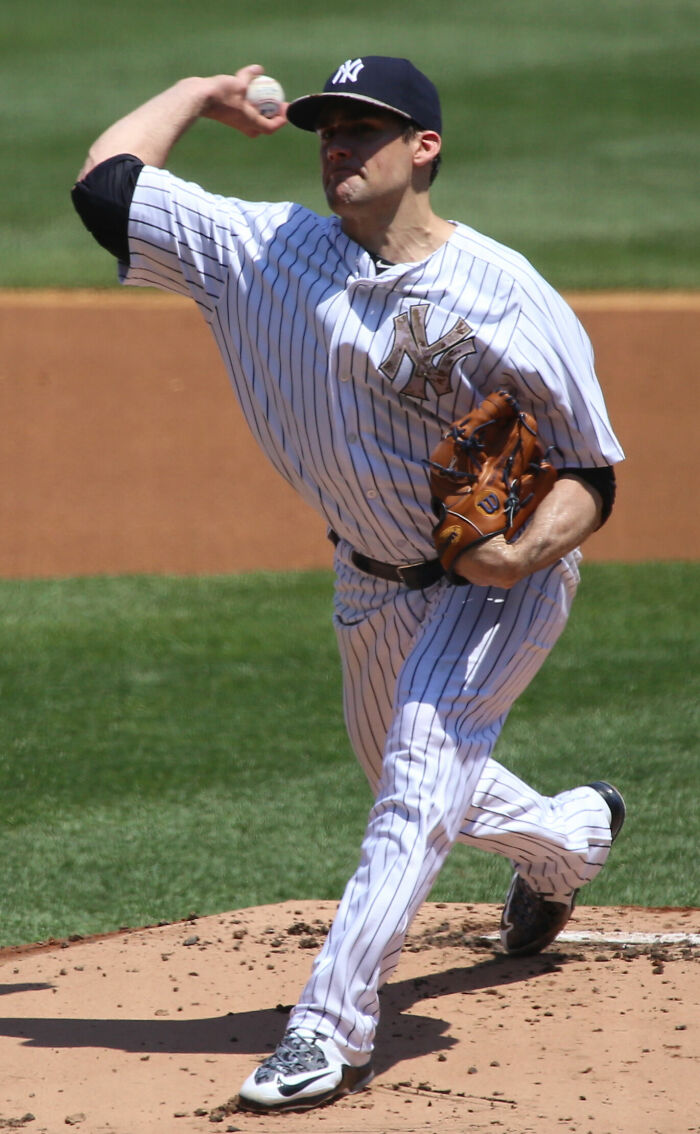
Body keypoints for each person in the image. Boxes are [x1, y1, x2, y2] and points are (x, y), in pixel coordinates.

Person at [72, 55, 626, 1114]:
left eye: (364, 129)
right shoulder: (260, 252)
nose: (337, 147)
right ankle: (570, 841)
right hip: (369, 582)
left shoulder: (506, 295)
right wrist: (198, 92)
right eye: (327, 129)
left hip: (498, 587)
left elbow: (591, 472)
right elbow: (106, 185)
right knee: (403, 771)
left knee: (420, 768)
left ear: (423, 148)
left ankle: (328, 1029)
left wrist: (515, 556)